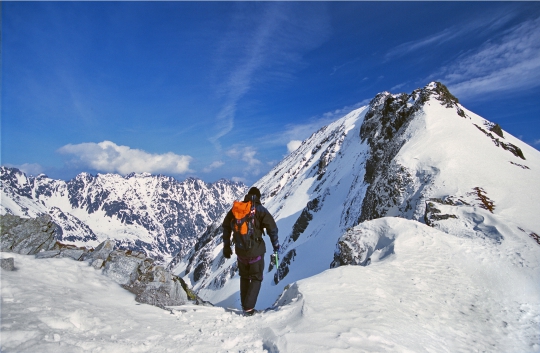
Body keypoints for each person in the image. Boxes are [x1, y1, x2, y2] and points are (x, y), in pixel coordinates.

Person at [222, 186, 279, 316]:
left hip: (240, 252)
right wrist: (276, 245)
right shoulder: (261, 210)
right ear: (259, 197)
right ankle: (248, 308)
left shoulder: (236, 209)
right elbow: (273, 229)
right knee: (256, 277)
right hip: (256, 252)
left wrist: (226, 246)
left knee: (244, 276)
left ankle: (245, 306)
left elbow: (226, 227)